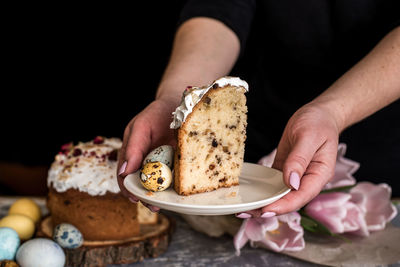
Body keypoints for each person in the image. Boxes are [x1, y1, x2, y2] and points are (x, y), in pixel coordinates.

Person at [117, 0, 400, 215]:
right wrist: (177, 99)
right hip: (257, 166)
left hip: (381, 178)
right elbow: (220, 8)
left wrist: (334, 111)